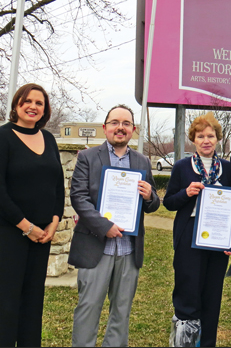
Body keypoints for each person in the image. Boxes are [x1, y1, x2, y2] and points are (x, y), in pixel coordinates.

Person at [69, 104, 160, 347]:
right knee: (88, 308)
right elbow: (78, 197)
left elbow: (152, 204)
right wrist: (104, 226)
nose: (120, 127)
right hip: (95, 247)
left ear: (133, 130)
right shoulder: (88, 157)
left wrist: (150, 195)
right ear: (105, 127)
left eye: (126, 123)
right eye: (115, 122)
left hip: (128, 250)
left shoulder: (142, 161)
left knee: (122, 311)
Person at [0, 83, 64, 347]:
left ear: (45, 109)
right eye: (27, 101)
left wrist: (54, 222)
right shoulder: (0, 138)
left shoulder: (49, 139)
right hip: (7, 230)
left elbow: (58, 186)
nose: (33, 106)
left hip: (41, 234)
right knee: (7, 301)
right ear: (16, 104)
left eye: (39, 103)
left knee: (33, 300)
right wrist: (27, 227)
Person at [163, 112, 231, 347]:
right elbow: (169, 202)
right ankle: (184, 343)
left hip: (218, 236)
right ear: (193, 139)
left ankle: (207, 343)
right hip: (189, 234)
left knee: (212, 296)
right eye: (201, 136)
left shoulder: (228, 169)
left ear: (218, 139)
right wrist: (186, 193)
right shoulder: (182, 167)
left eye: (211, 136)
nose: (206, 140)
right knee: (188, 293)